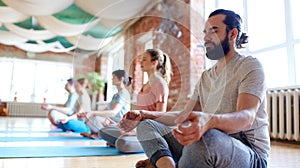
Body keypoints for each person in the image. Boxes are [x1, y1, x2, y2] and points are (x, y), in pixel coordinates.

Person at [118, 9, 270, 168]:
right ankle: (167, 164)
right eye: (205, 32)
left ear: (232, 34)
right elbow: (183, 116)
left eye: (213, 31)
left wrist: (209, 121)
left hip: (249, 154)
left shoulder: (250, 66)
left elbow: (246, 117)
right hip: (206, 144)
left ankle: (166, 162)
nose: (206, 37)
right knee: (146, 124)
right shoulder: (206, 77)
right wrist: (144, 114)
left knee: (206, 138)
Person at [100, 48, 172, 153]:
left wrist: (136, 132)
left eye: (144, 59)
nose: (140, 62)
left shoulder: (160, 84)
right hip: (138, 128)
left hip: (150, 131)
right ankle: (130, 140)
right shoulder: (145, 85)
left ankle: (149, 144)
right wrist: (121, 125)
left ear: (154, 63)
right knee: (104, 131)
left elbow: (160, 115)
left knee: (122, 143)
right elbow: (138, 115)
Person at [79, 69, 132, 139]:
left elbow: (113, 113)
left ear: (121, 79)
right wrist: (89, 113)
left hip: (117, 123)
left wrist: (93, 113)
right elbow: (106, 109)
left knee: (94, 118)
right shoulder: (116, 95)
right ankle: (97, 134)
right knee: (90, 117)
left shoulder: (123, 93)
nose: (112, 79)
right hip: (110, 120)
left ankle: (100, 135)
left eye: (114, 77)